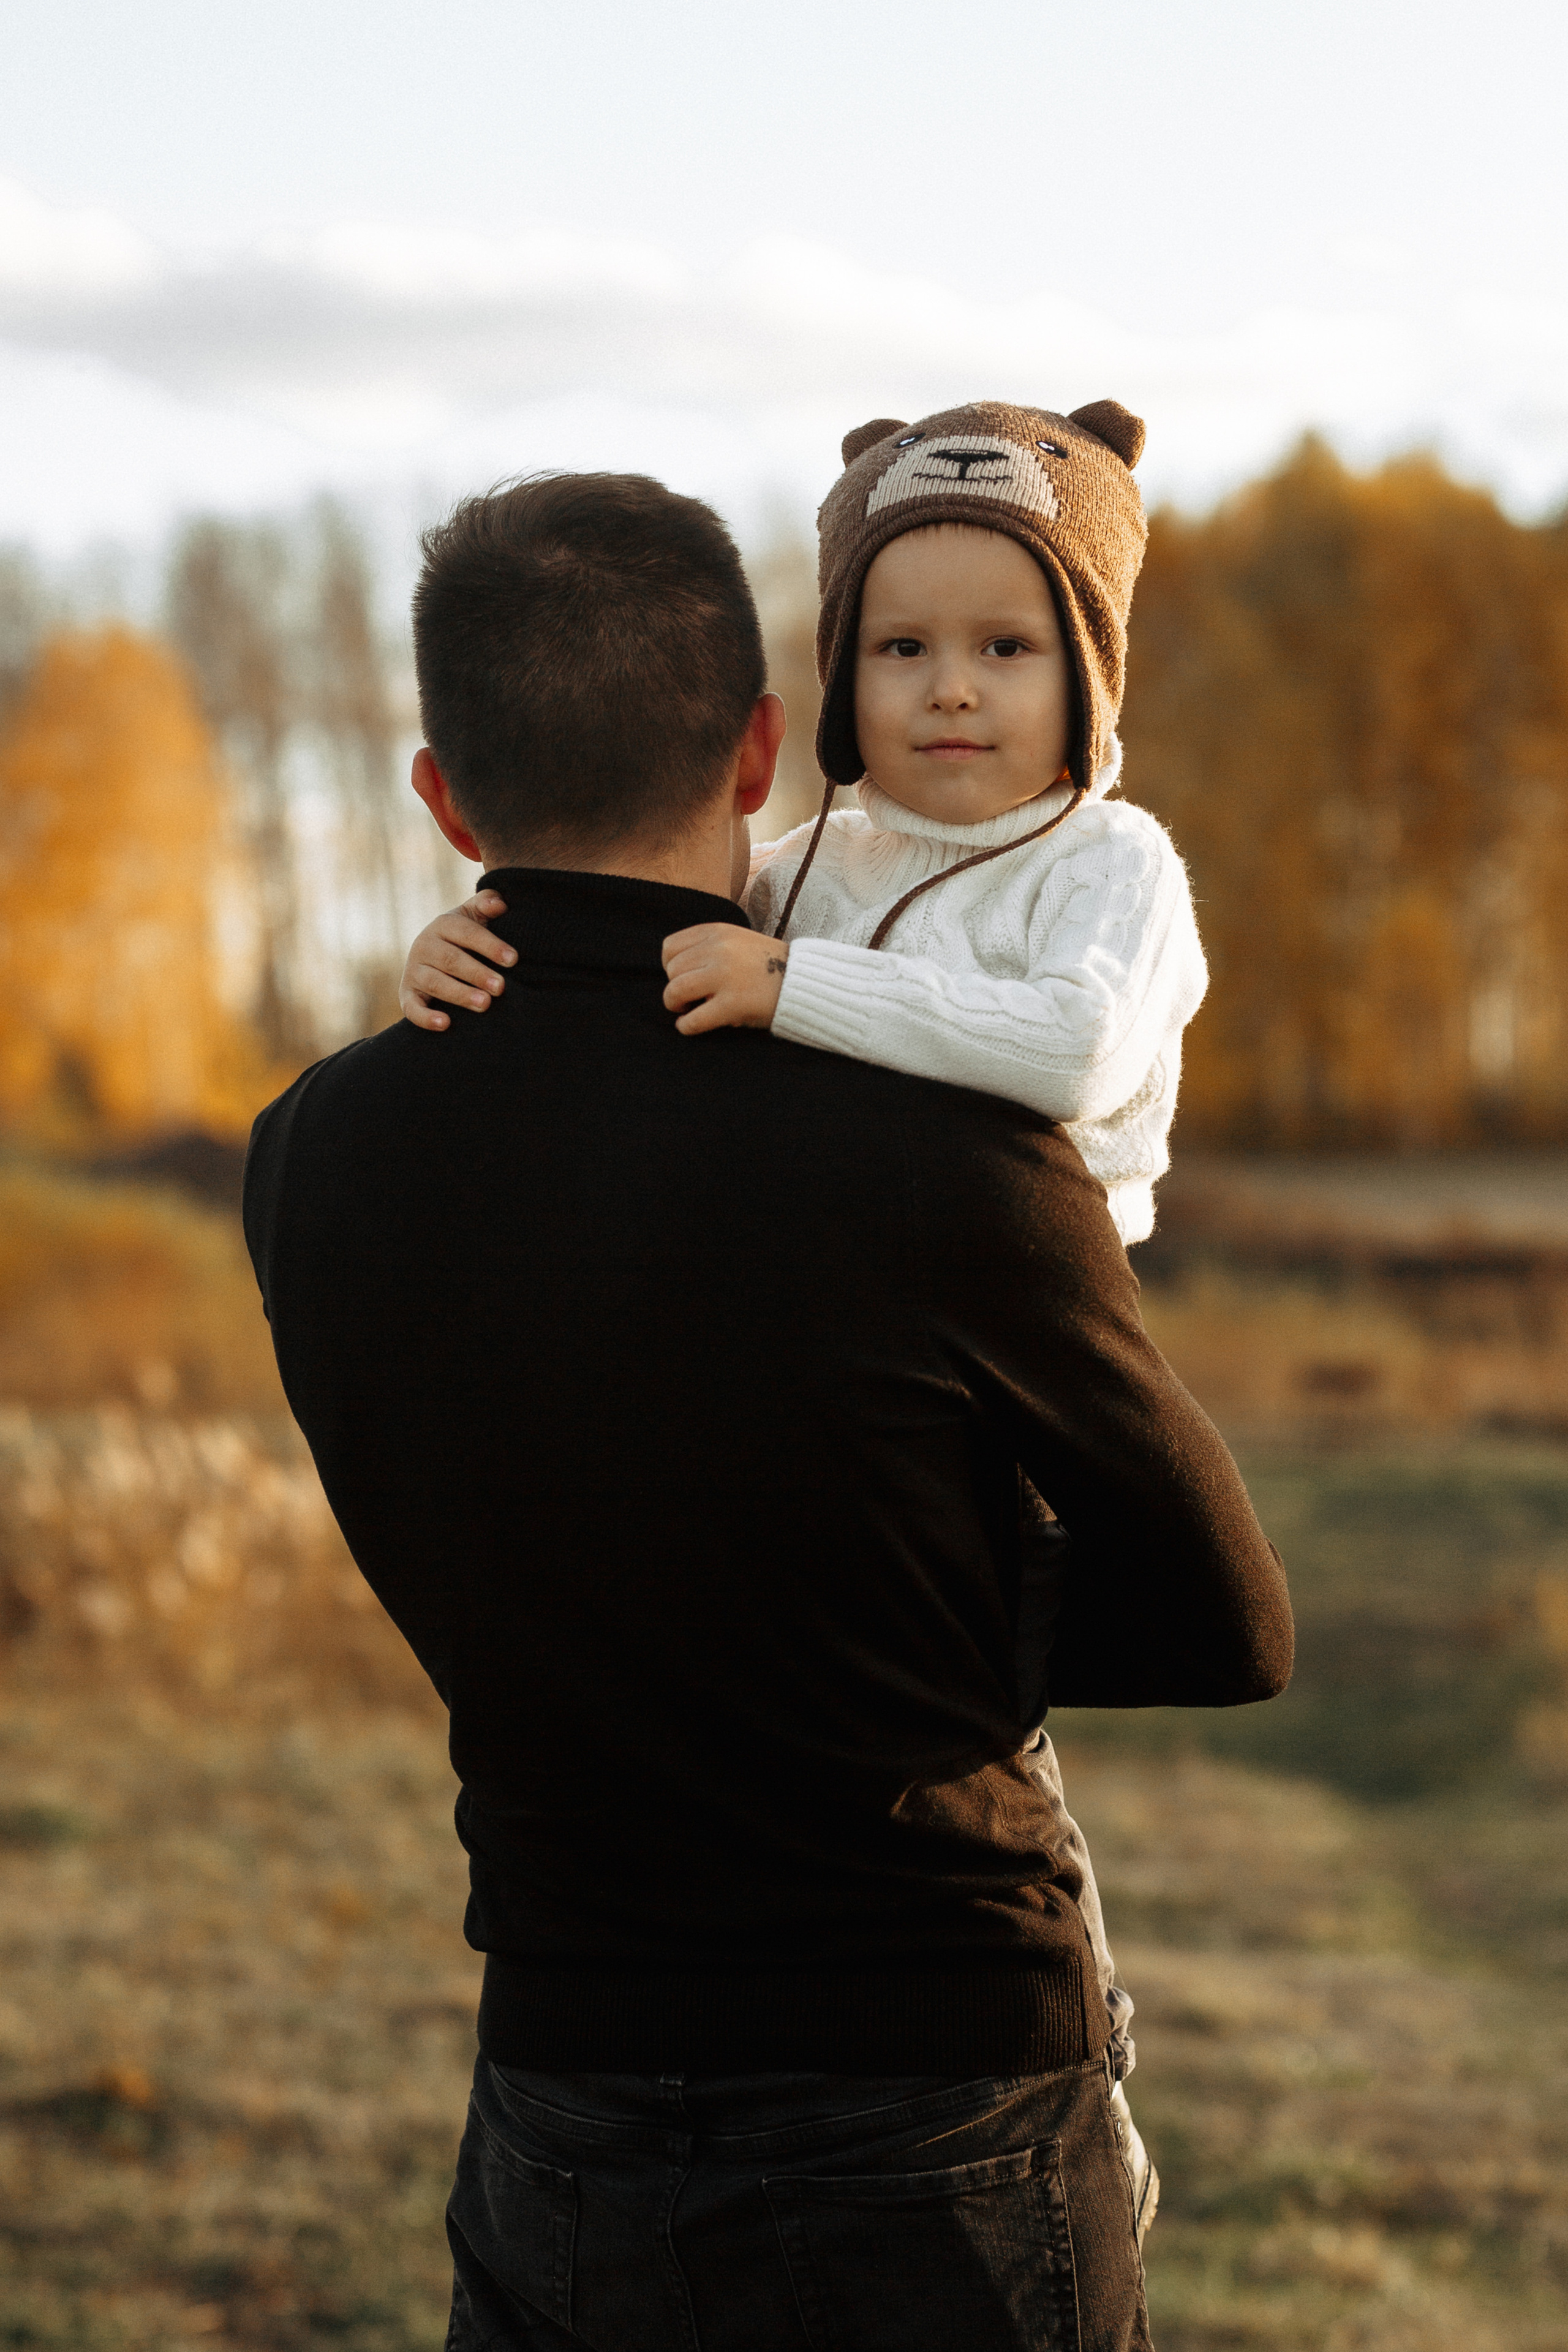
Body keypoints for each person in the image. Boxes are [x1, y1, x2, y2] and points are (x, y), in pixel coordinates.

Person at [244, 467, 1292, 2352]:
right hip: (940, 2089)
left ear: (444, 801)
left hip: (561, 2089)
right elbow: (1233, 1626)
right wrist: (948, 1621)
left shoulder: (313, 1148)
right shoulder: (947, 1150)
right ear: (760, 751)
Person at [399, 400, 1199, 2165]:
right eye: (901, 649)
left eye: (1007, 648)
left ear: (1091, 675)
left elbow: (1071, 1052)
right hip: (841, 1376)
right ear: (822, 694)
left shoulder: (1112, 868)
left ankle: (1079, 2070)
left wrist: (793, 990)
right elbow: (619, 924)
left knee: (982, 1770)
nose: (952, 690)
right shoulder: (803, 869)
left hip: (1033, 1375)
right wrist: (467, 942)